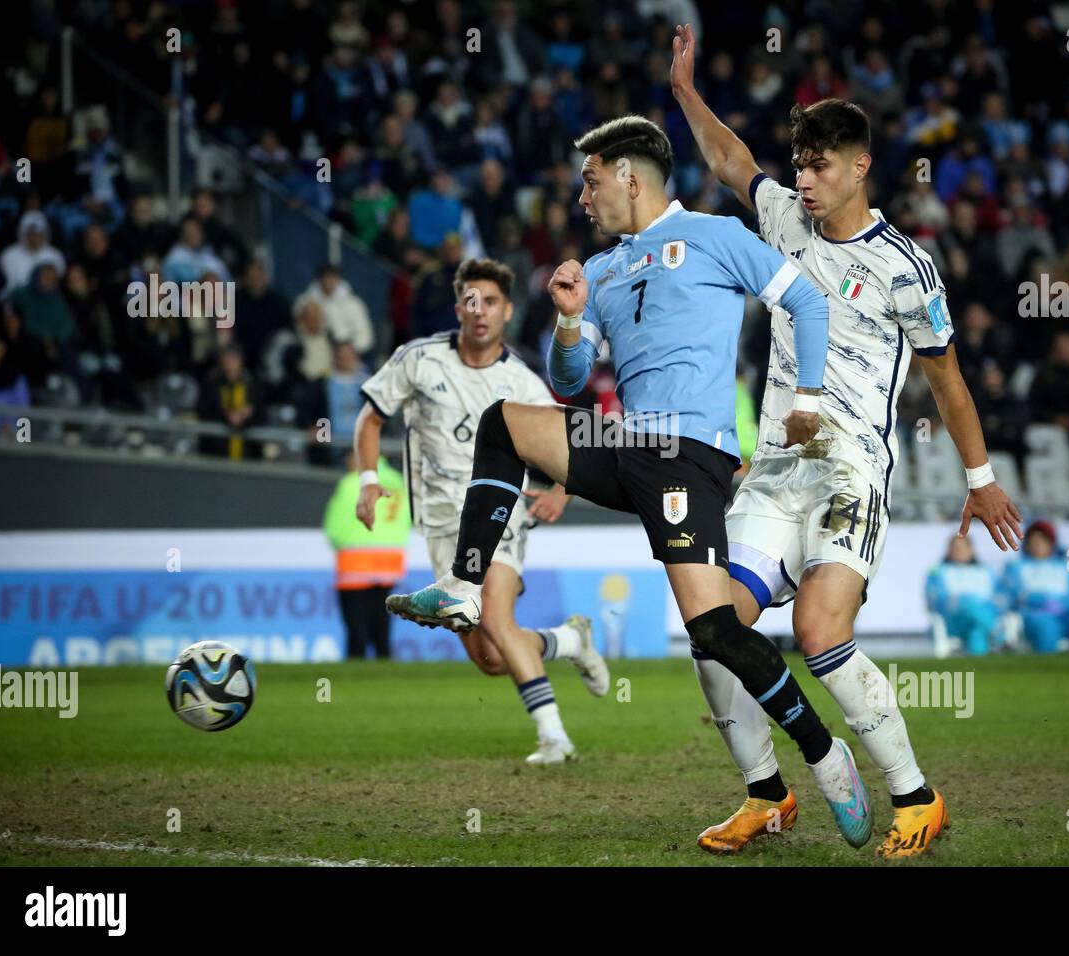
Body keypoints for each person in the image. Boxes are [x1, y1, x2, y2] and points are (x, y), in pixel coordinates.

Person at [386, 115, 876, 847]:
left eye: (590, 180)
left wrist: (806, 400)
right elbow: (571, 383)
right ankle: (463, 587)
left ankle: (825, 756)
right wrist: (571, 323)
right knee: (506, 423)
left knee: (713, 632)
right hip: (624, 444)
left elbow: (804, 300)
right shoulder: (604, 269)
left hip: (688, 454)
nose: (581, 197)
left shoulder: (716, 235)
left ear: (629, 177)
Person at [671, 25, 1022, 857]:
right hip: (774, 472)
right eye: (799, 165)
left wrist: (981, 477)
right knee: (714, 630)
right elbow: (729, 161)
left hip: (848, 473)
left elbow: (948, 382)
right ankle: (767, 796)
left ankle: (916, 796)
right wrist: (685, 91)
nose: (804, 179)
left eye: (820, 165)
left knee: (822, 632)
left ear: (860, 166)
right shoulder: (784, 220)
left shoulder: (906, 267)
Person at [355, 257, 609, 763]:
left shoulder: (522, 384)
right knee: (492, 656)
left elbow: (577, 438)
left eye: (490, 301)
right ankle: (569, 640)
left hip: (502, 518)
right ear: (458, 308)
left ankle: (553, 736)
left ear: (507, 310)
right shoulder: (418, 359)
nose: (480, 311)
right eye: (471, 300)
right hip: (440, 526)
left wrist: (562, 489)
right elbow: (369, 419)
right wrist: (367, 481)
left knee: (492, 613)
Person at [324, 452, 409, 659]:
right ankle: (385, 673)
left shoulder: (352, 482)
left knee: (356, 630)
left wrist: (341, 544)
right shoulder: (397, 482)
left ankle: (354, 674)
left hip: (356, 562)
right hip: (389, 562)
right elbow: (407, 520)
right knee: (382, 627)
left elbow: (334, 528)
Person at [999, 520, 1069, 653]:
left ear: (1051, 544)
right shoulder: (1015, 566)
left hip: (1066, 615)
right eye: (1033, 540)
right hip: (1033, 615)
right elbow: (1010, 595)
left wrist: (1063, 605)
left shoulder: (1066, 567)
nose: (1038, 544)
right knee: (1046, 626)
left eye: (1043, 540)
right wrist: (1040, 601)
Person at [926, 536, 1001, 655]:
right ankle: (999, 635)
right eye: (956, 548)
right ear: (949, 550)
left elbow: (999, 598)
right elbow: (933, 600)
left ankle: (977, 666)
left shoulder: (986, 571)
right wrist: (963, 600)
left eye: (963, 547)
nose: (959, 551)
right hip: (953, 620)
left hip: (981, 618)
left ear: (971, 549)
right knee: (973, 606)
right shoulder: (938, 571)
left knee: (977, 633)